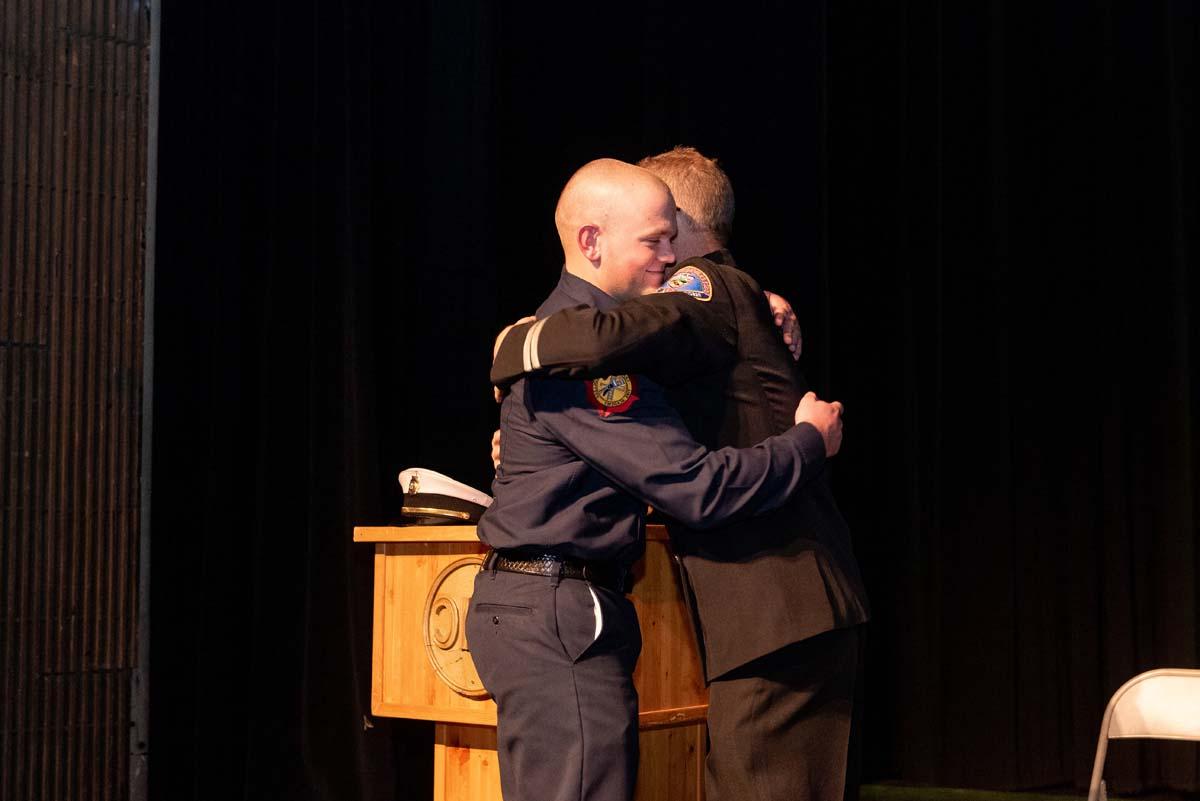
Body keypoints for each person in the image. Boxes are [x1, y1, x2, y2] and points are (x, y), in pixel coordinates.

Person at [490, 147, 869, 801]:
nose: (664, 254)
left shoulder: (705, 286)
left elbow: (611, 339)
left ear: (687, 223)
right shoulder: (725, 300)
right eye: (651, 236)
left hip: (776, 603)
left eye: (668, 231)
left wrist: (520, 344)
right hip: (775, 604)